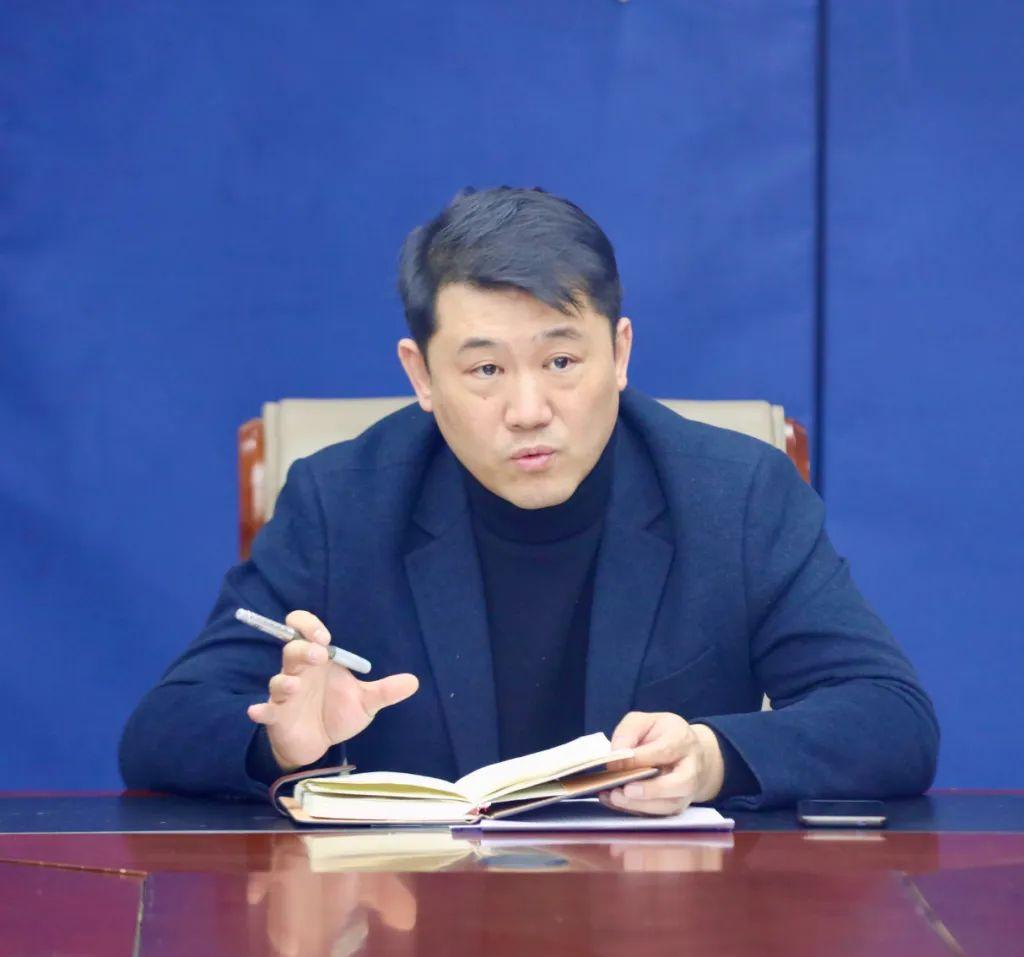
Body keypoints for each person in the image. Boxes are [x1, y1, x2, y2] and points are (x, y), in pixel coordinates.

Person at [120, 187, 939, 813]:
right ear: (420, 375)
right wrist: (282, 744)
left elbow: (891, 716)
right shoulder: (341, 502)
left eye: (561, 362)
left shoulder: (736, 494)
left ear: (620, 352)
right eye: (485, 369)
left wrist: (713, 756)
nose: (527, 409)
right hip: (416, 918)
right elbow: (163, 727)